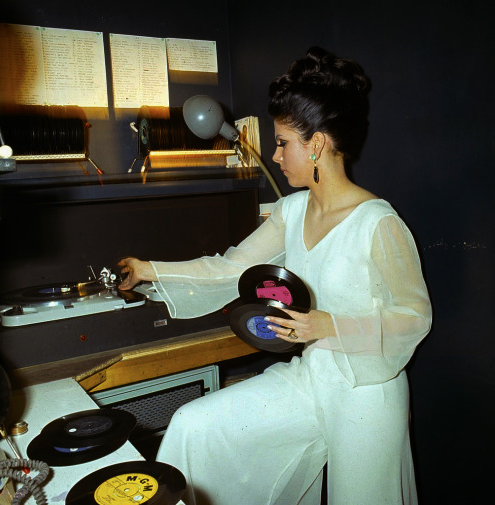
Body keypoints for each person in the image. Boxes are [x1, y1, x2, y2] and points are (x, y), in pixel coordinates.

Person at [118, 46, 432, 505]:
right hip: (311, 379)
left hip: (367, 397)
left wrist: (329, 324)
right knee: (195, 426)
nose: (275, 154)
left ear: (318, 145)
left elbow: (415, 316)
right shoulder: (291, 210)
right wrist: (149, 269)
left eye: (284, 142)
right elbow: (229, 267)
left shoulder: (378, 222)